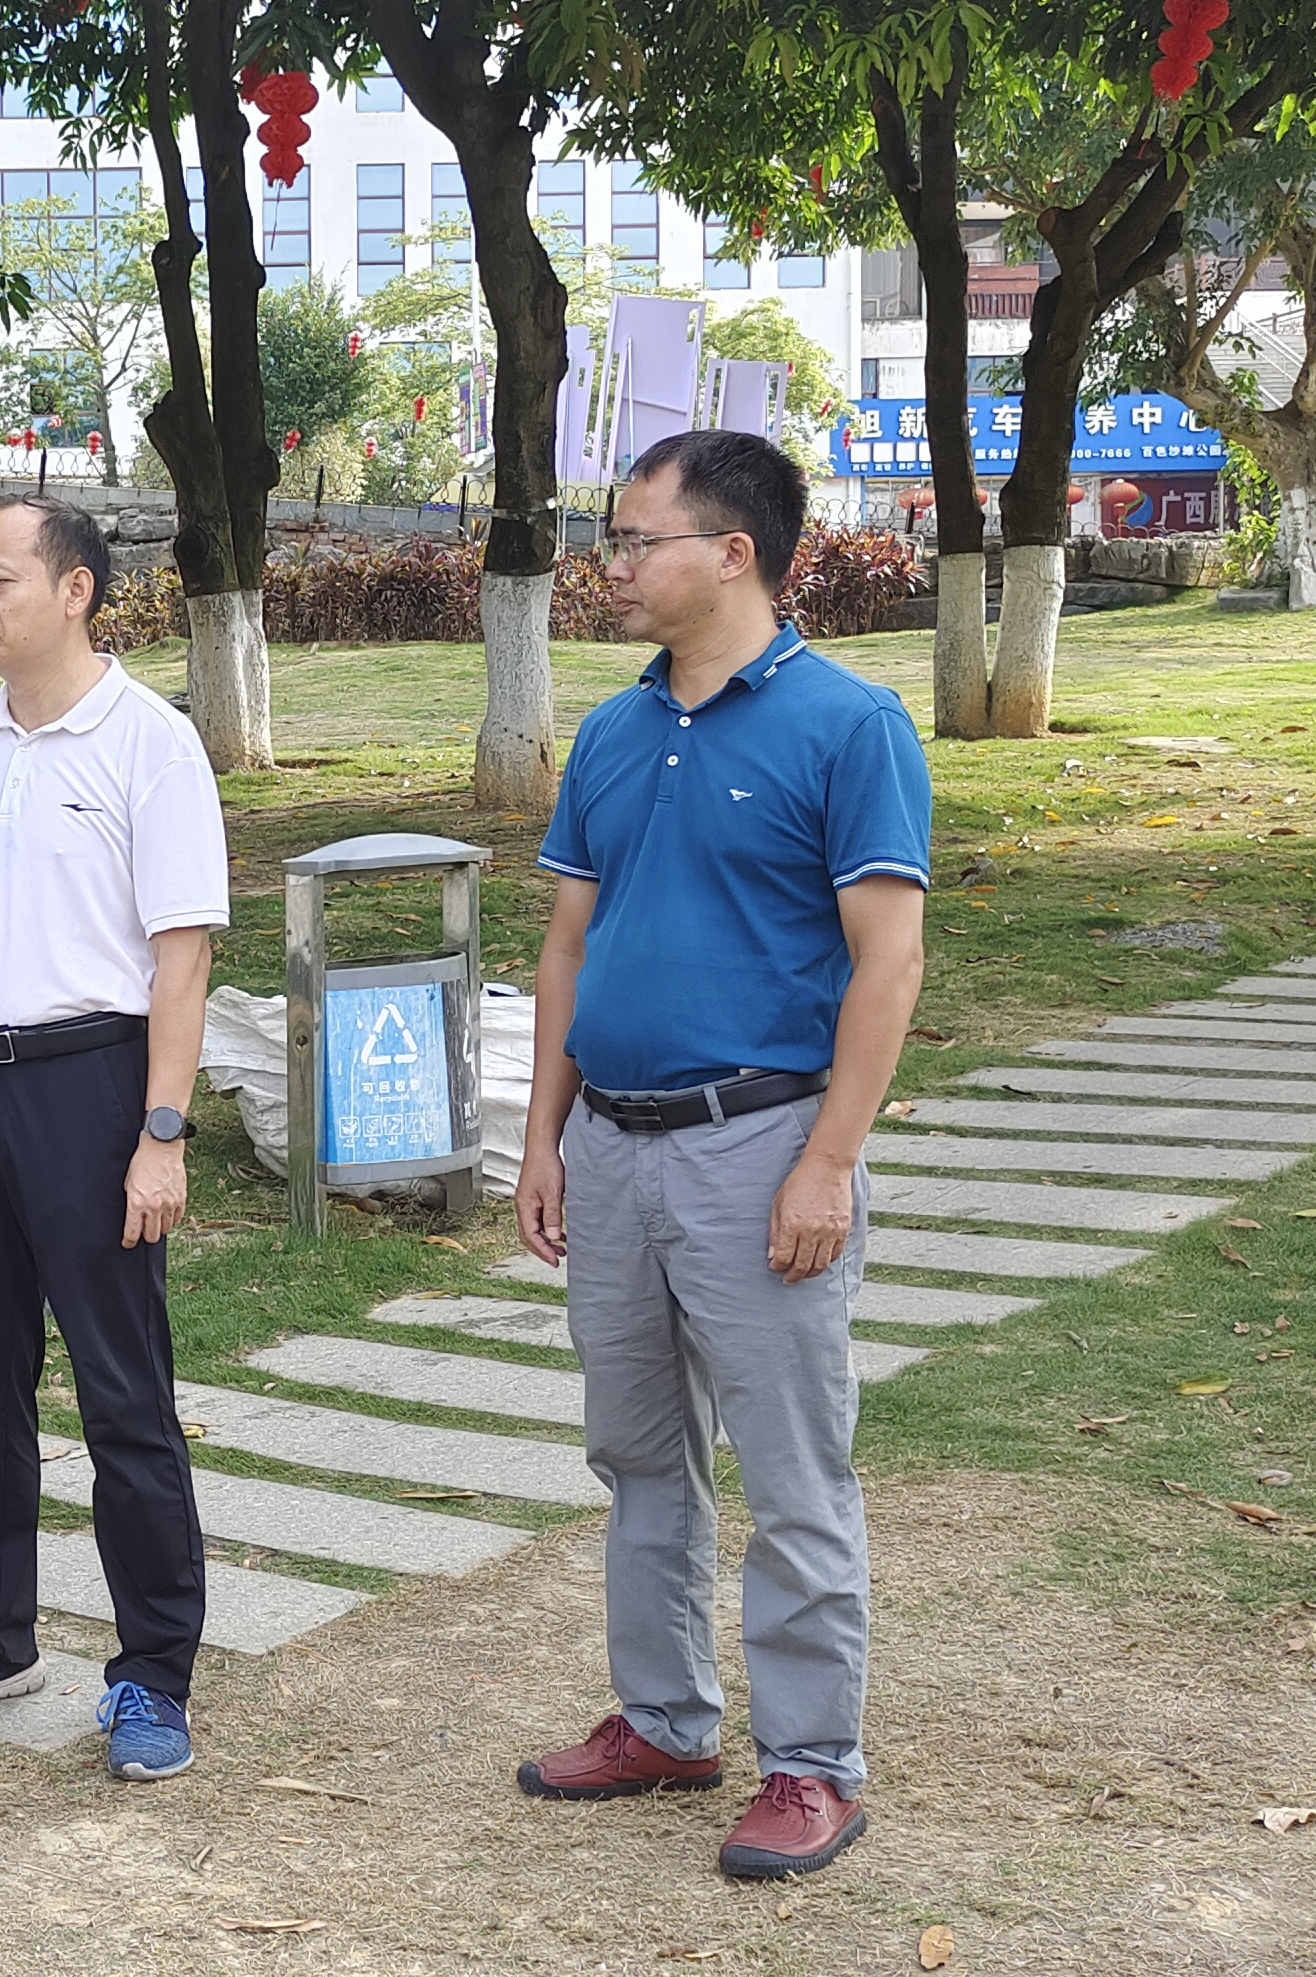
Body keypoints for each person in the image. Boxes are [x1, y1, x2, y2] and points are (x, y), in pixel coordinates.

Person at [510, 429, 931, 1882]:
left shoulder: (848, 725)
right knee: (637, 1454)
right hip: (612, 1157)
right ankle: (667, 1718)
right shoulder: (615, 731)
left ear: (731, 553)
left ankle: (813, 1764)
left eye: (635, 541)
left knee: (791, 1468)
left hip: (759, 1148)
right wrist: (542, 1138)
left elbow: (887, 964)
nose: (611, 564)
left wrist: (826, 1161)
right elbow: (569, 945)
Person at [0, 496, 226, 1783]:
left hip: (92, 1088)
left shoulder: (150, 743)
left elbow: (178, 955)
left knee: (121, 1394)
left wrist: (161, 1132)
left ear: (74, 590)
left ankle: (150, 1673)